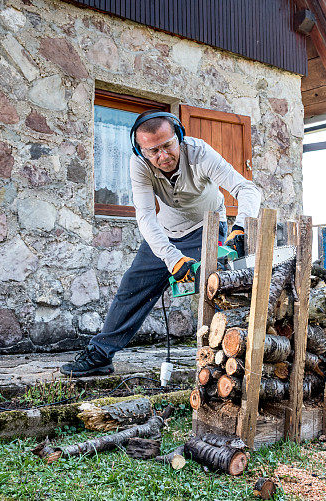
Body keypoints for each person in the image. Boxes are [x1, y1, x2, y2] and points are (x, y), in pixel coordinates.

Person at [61, 111, 261, 376]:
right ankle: (100, 356)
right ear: (141, 149)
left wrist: (241, 228)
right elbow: (144, 217)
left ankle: (234, 357)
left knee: (218, 289)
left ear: (178, 137)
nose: (163, 157)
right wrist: (172, 258)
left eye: (168, 146)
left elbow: (248, 189)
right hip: (164, 234)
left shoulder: (200, 153)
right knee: (131, 287)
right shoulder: (139, 164)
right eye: (153, 151)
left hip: (207, 228)